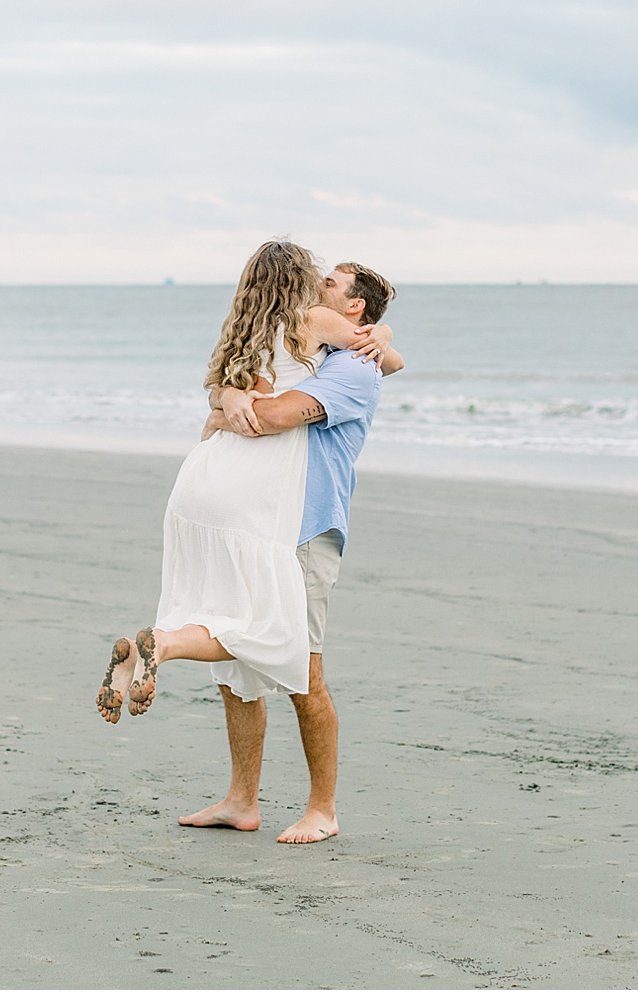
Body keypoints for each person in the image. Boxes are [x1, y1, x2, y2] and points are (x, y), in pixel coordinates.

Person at [95, 241, 398, 732]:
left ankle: (160, 647)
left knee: (216, 609)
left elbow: (223, 395)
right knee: (269, 631)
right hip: (254, 490)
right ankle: (165, 644)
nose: (321, 284)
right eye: (317, 277)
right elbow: (388, 362)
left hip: (202, 476)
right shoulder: (314, 325)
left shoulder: (242, 329)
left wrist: (224, 400)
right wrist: (380, 336)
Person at [179, 262, 398, 844]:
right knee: (237, 671)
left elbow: (271, 417)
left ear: (355, 309)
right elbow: (245, 389)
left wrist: (225, 407)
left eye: (331, 283)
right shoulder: (318, 351)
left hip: (307, 530)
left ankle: (322, 809)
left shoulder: (355, 368)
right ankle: (240, 800)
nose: (317, 286)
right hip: (264, 525)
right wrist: (224, 391)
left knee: (303, 672)